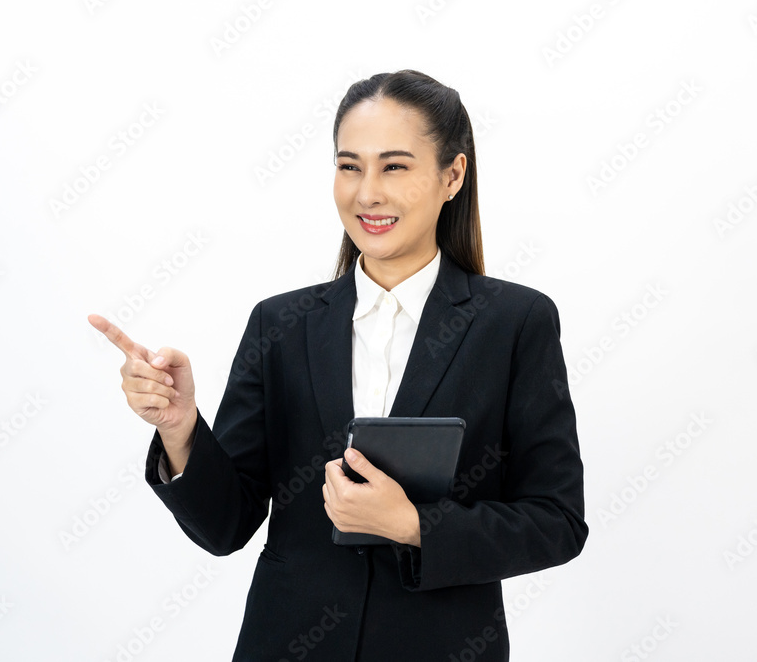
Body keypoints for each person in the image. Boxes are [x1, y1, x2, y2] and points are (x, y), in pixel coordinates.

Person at [88, 69, 588, 661]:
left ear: (452, 175)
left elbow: (556, 521)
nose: (367, 193)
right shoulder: (280, 324)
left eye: (394, 166)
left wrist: (414, 525)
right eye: (350, 166)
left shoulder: (515, 322)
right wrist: (180, 430)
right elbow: (225, 528)